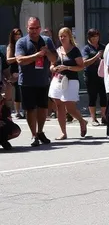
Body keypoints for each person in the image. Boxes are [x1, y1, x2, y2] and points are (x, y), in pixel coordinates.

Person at [15, 17, 57, 147]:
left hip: (43, 80)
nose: (34, 30)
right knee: (30, 109)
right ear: (27, 28)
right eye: (31, 28)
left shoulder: (47, 41)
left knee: (43, 109)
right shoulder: (22, 42)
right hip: (27, 82)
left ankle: (40, 132)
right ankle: (33, 135)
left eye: (36, 28)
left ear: (40, 28)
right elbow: (20, 60)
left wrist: (47, 51)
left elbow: (54, 58)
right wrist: (36, 55)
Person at [48, 28, 88, 140]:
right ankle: (63, 132)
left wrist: (67, 67)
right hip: (58, 80)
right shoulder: (57, 50)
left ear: (69, 37)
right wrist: (53, 68)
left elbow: (81, 66)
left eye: (64, 36)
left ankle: (82, 121)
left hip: (71, 80)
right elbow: (51, 65)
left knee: (70, 107)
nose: (62, 38)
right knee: (59, 105)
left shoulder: (74, 50)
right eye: (60, 36)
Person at [82, 29, 107, 126]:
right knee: (92, 96)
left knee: (103, 96)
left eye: (97, 36)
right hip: (91, 75)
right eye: (93, 37)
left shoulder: (102, 47)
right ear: (89, 37)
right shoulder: (86, 48)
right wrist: (96, 57)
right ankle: (93, 118)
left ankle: (104, 117)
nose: (95, 39)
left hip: (102, 75)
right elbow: (84, 62)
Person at [6, 28, 24, 119]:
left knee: (25, 89)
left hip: (24, 68)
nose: (18, 36)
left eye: (19, 34)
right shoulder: (11, 46)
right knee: (18, 90)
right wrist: (17, 58)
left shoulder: (23, 44)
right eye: (16, 35)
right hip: (15, 70)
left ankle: (25, 110)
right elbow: (8, 60)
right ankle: (17, 111)